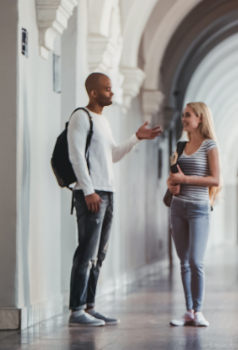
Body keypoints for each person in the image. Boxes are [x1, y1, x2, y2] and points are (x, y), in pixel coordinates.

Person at [67, 72, 162, 327]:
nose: (112, 92)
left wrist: (136, 138)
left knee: (99, 254)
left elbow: (114, 155)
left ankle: (90, 306)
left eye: (111, 88)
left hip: (107, 192)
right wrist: (88, 190)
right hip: (91, 193)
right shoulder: (81, 117)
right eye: (107, 89)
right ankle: (76, 310)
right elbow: (76, 156)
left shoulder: (103, 122)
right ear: (93, 92)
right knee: (86, 252)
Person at [167, 102, 220, 327]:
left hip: (199, 208)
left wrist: (185, 180)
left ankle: (198, 311)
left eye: (187, 115)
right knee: (183, 262)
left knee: (196, 261)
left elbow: (216, 180)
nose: (183, 119)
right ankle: (188, 311)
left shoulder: (210, 146)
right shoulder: (179, 145)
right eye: (182, 115)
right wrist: (172, 185)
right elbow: (172, 178)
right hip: (177, 208)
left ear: (200, 118)